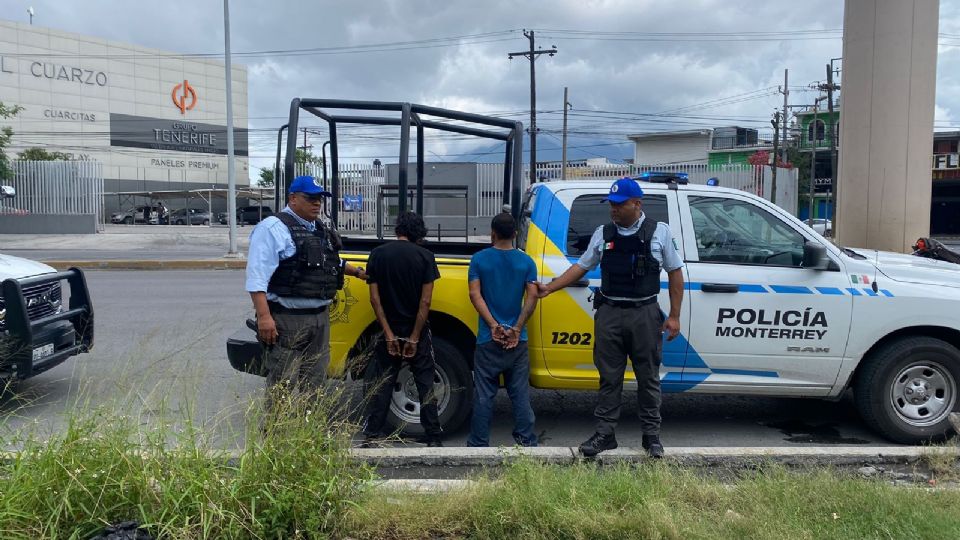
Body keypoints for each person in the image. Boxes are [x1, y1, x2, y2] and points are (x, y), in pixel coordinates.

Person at [538, 177, 684, 458]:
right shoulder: (603, 233)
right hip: (610, 314)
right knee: (609, 377)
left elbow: (675, 273)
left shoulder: (659, 232)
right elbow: (581, 267)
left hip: (644, 313)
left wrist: (674, 316)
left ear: (636, 204)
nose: (613, 210)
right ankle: (605, 434)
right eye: (611, 205)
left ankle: (651, 437)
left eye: (619, 205)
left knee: (648, 378)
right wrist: (550, 287)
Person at [245, 175, 366, 400]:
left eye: (319, 198)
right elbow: (256, 277)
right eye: (310, 198)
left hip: (319, 318)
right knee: (283, 383)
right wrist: (264, 317)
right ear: (292, 198)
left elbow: (331, 262)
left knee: (316, 383)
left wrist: (358, 273)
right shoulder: (273, 228)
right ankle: (276, 432)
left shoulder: (317, 228)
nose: (317, 203)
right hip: (288, 319)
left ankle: (308, 431)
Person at [362, 211, 443, 447]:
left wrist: (388, 334)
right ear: (418, 233)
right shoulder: (426, 256)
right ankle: (433, 437)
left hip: (388, 328)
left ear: (398, 229)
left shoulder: (377, 255)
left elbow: (375, 300)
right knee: (425, 382)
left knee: (383, 381)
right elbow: (425, 302)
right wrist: (415, 337)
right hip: (416, 329)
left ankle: (372, 436)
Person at [466, 213, 539, 447]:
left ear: (492, 234)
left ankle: (478, 443)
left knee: (484, 395)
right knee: (519, 394)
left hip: (488, 339)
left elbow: (475, 295)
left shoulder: (479, 260)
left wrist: (493, 325)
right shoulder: (527, 262)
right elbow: (532, 297)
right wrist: (517, 328)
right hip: (518, 340)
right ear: (516, 234)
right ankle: (526, 441)